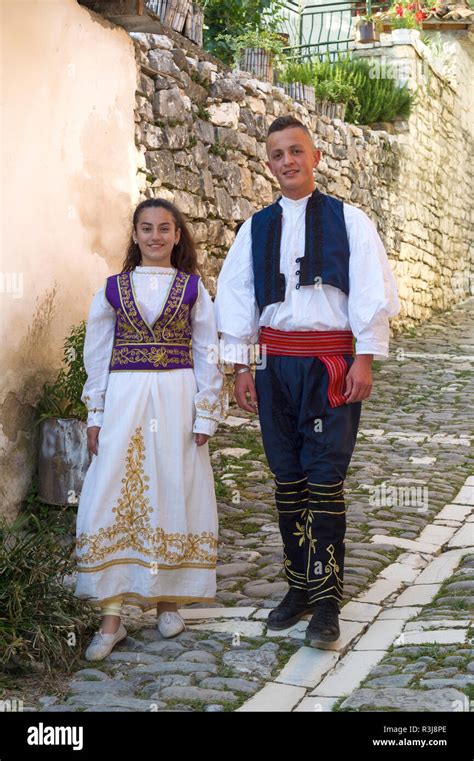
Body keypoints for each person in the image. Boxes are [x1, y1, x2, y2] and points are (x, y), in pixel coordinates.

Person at [215, 115, 400, 645]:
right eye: (277, 154)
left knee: (324, 482)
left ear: (315, 156)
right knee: (288, 481)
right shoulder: (255, 227)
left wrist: (365, 357)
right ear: (268, 163)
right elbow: (235, 295)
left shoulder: (350, 221)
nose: (287, 161)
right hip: (275, 368)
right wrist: (240, 365)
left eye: (296, 150)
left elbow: (369, 290)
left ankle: (326, 602)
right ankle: (298, 586)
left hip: (328, 365)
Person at [75, 198, 225, 661]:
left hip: (177, 399)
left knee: (174, 487)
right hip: (125, 399)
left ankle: (168, 601)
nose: (156, 236)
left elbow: (207, 353)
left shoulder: (194, 290)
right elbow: (97, 354)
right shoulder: (112, 290)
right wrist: (95, 413)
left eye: (165, 228)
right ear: (135, 235)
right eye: (147, 228)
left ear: (177, 235)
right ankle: (112, 618)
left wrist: (205, 412)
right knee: (113, 491)